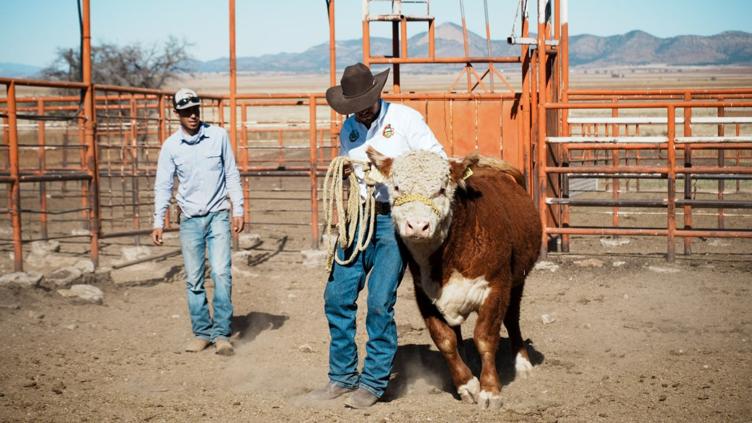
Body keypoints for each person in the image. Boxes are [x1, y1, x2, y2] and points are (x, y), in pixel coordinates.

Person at [313, 63, 446, 408]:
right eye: (353, 105)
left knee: (379, 300)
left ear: (377, 94)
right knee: (337, 296)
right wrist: (347, 171)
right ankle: (342, 376)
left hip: (392, 220)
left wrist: (396, 173)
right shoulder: (348, 129)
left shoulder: (406, 120)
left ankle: (373, 381)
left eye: (364, 102)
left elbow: (437, 158)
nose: (360, 110)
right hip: (358, 218)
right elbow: (347, 166)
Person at [151, 88, 244, 356]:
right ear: (177, 114)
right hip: (190, 218)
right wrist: (158, 220)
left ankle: (222, 333)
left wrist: (238, 208)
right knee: (194, 278)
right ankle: (202, 332)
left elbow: (231, 173)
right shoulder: (171, 147)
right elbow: (163, 185)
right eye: (186, 112)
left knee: (221, 273)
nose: (192, 116)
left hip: (218, 214)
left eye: (195, 110)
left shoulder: (218, 136)